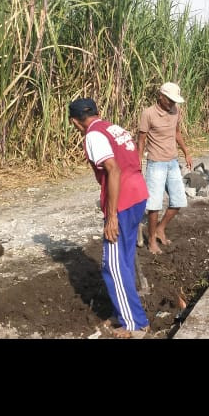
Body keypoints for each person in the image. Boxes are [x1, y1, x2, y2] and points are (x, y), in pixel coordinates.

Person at [69, 97, 150, 338]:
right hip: (137, 194)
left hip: (122, 201)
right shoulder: (114, 128)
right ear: (97, 112)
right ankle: (125, 313)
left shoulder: (93, 135)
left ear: (75, 122)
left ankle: (135, 323)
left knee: (113, 267)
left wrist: (112, 215)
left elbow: (113, 169)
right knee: (123, 259)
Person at [137, 82, 193, 254]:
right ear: (160, 96)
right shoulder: (148, 114)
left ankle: (160, 228)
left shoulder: (176, 110)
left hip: (173, 162)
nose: (172, 103)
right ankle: (151, 240)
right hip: (156, 163)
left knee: (179, 201)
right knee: (154, 205)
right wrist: (139, 161)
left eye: (174, 101)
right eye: (170, 100)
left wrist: (186, 152)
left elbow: (176, 133)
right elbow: (141, 139)